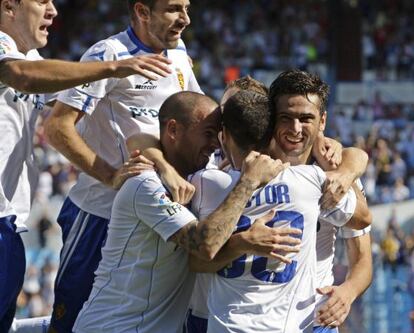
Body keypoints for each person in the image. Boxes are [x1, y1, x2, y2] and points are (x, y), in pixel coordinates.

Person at [0, 0, 171, 331]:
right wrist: (112, 67)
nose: (53, 11)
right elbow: (21, 76)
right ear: (9, 6)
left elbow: (71, 97)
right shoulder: (17, 64)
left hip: (11, 222)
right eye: (41, 1)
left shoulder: (30, 58)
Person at [43, 1, 206, 331]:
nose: (186, 19)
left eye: (187, 8)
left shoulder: (178, 54)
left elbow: (199, 116)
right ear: (143, 12)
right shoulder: (108, 54)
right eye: (175, 9)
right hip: (99, 215)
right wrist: (111, 175)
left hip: (157, 214)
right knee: (73, 317)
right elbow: (58, 128)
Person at [72, 91, 289, 333]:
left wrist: (340, 157)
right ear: (173, 130)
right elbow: (204, 246)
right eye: (208, 133)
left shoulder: (196, 176)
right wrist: (248, 184)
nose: (216, 143)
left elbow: (140, 139)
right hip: (114, 327)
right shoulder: (146, 184)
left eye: (218, 135)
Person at [185, 73, 372, 333]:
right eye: (286, 118)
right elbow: (194, 261)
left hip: (312, 318)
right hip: (235, 314)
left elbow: (363, 253)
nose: (295, 129)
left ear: (322, 121)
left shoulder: (333, 173)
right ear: (271, 120)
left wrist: (348, 292)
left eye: (306, 118)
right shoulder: (223, 172)